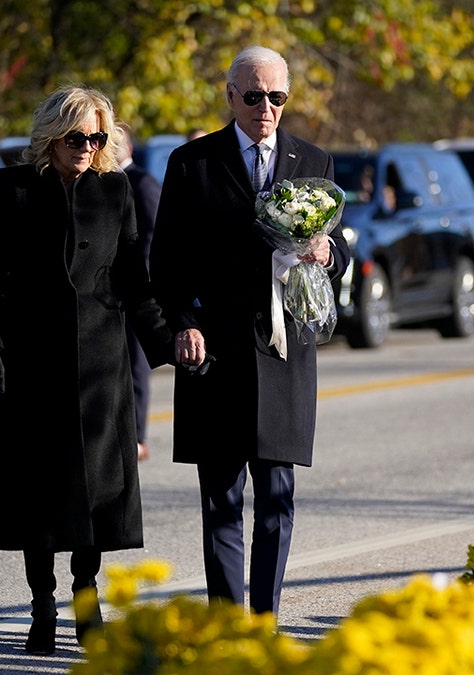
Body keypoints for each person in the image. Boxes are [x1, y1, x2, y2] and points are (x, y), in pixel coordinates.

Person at [150, 45, 351, 617]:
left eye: (278, 97)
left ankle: (264, 621)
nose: (267, 107)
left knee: (277, 499)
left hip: (285, 351)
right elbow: (165, 265)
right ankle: (225, 625)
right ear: (231, 96)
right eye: (255, 95)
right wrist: (183, 324)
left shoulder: (314, 161)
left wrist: (324, 250)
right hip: (214, 354)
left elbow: (338, 258)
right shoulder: (192, 165)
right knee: (221, 499)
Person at [0, 86, 174, 655]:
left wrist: (168, 344)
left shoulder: (116, 191)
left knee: (95, 496)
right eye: (76, 137)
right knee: (39, 497)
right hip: (30, 366)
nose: (87, 147)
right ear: (51, 137)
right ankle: (42, 608)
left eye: (98, 138)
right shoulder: (13, 189)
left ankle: (86, 599)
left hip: (100, 366)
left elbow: (137, 283)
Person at [116, 125, 164, 461]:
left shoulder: (141, 182)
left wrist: (144, 281)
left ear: (128, 146)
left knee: (136, 362)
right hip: (112, 291)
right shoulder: (104, 183)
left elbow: (153, 238)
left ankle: (137, 436)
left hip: (138, 288)